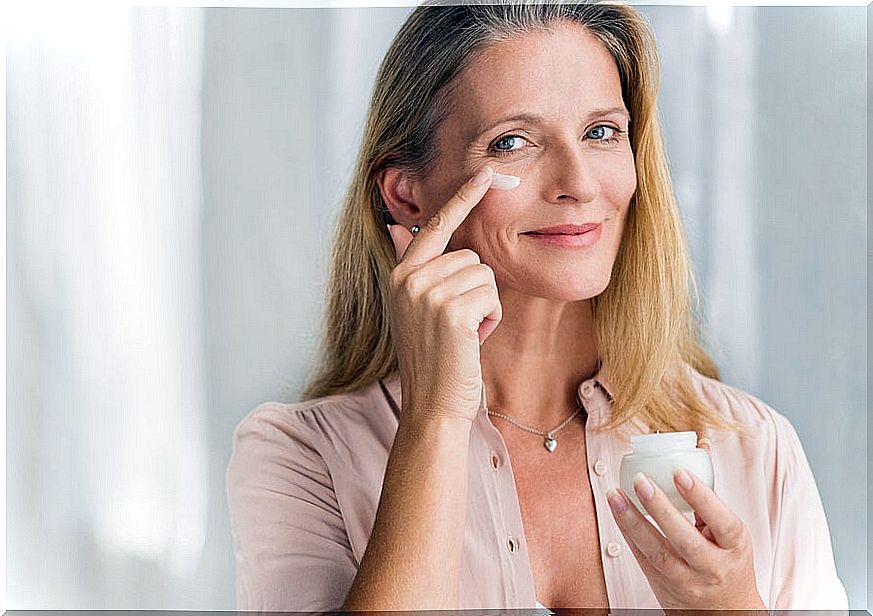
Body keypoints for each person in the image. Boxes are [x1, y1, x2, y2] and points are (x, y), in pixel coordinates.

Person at [225, 1, 849, 611]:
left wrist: (730, 607)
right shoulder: (301, 459)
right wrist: (436, 420)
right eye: (514, 142)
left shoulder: (756, 449)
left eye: (602, 133)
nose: (578, 183)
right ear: (407, 195)